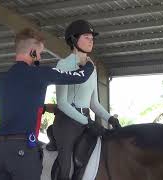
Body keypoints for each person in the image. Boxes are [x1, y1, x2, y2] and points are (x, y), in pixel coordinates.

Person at [0, 27, 95, 180]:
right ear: (32, 52)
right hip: (22, 150)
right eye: (39, 53)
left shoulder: (3, 80)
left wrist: (45, 108)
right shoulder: (38, 73)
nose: (39, 57)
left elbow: (19, 104)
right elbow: (80, 77)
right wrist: (90, 65)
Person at [49, 19, 121, 180]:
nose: (91, 40)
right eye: (87, 37)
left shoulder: (91, 68)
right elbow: (62, 103)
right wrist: (88, 122)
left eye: (92, 38)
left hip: (84, 120)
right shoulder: (63, 64)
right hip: (66, 123)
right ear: (74, 39)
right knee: (66, 167)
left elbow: (94, 103)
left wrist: (109, 118)